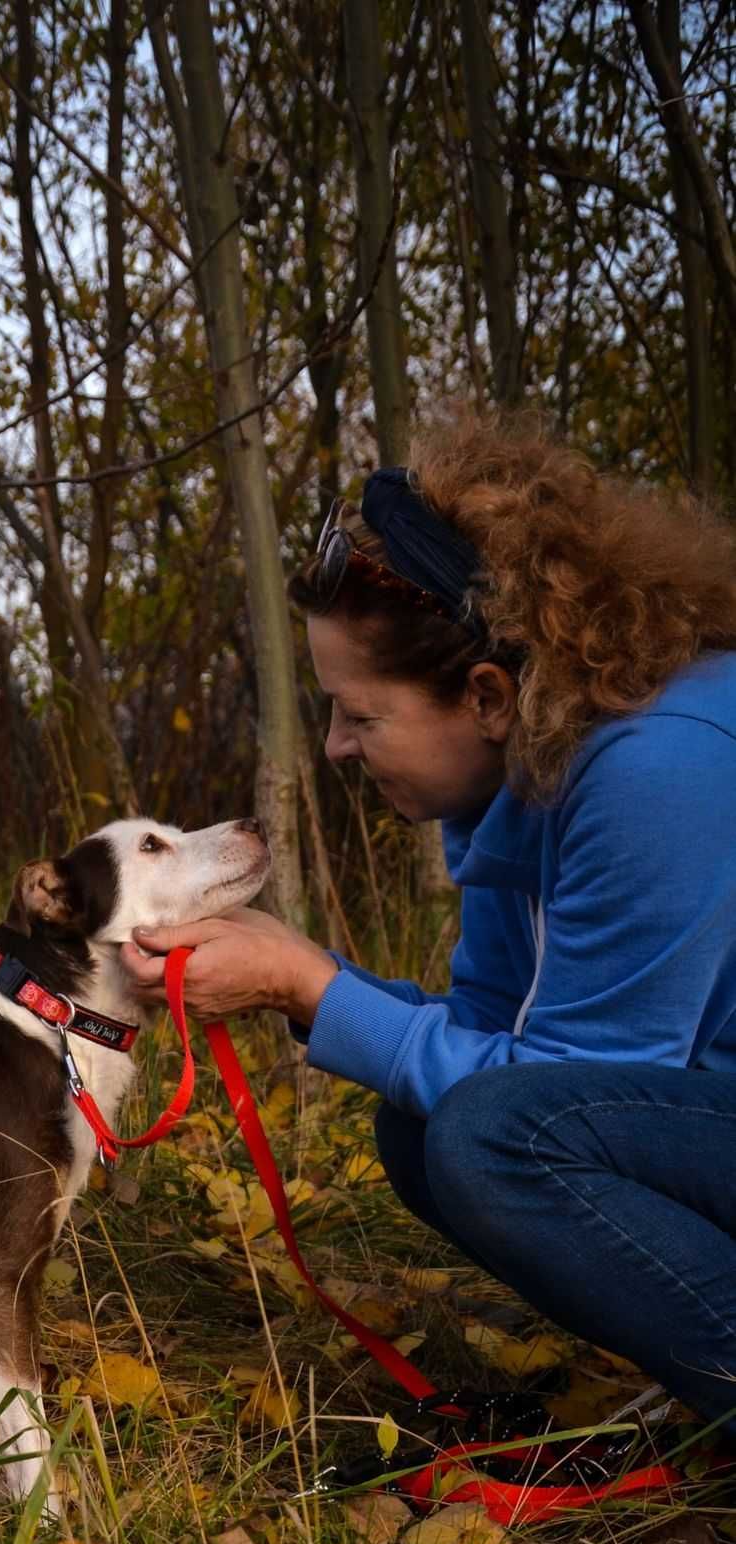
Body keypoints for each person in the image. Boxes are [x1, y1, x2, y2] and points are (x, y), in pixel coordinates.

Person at [122, 412, 736, 1447]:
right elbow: (503, 1037)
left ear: (486, 694)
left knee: (487, 1136)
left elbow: (556, 1097)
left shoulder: (655, 762)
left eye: (359, 716)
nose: (335, 748)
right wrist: (298, 975)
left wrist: (306, 983)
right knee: (423, 1127)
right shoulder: (525, 774)